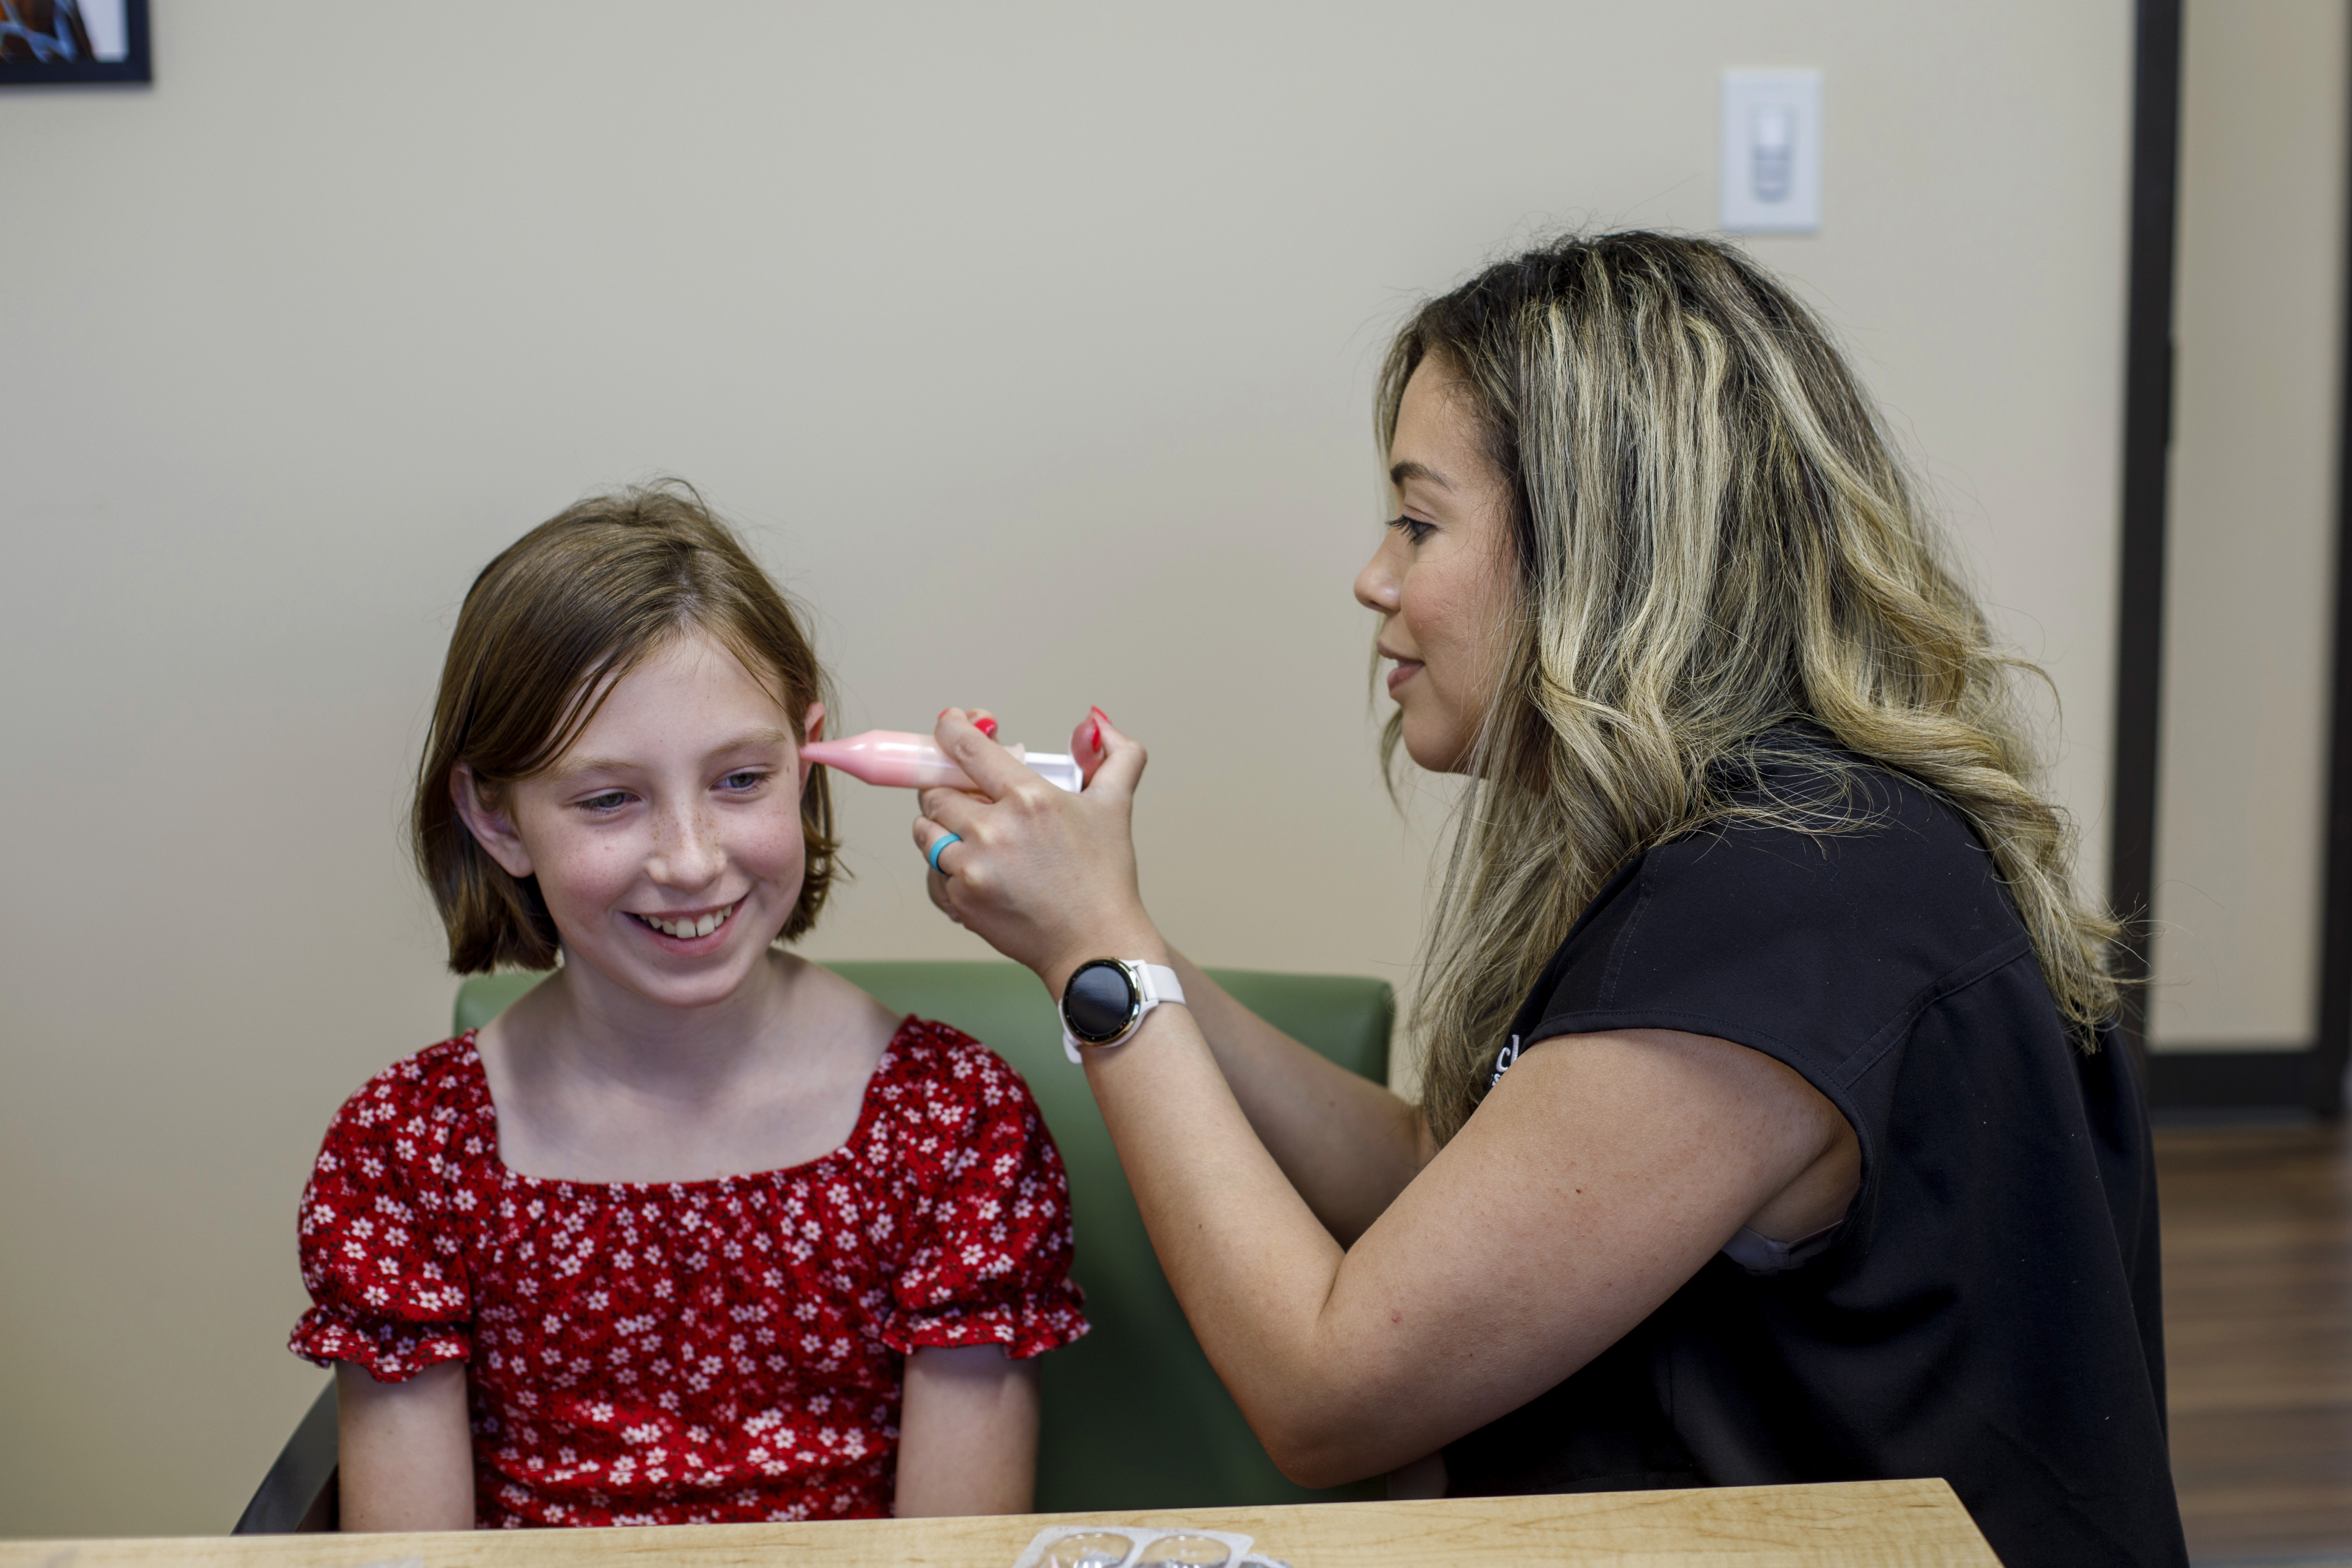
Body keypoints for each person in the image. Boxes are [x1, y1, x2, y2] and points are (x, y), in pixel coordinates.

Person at [912, 233, 2187, 1568]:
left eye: (1418, 520)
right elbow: (1447, 1191)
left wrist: (1103, 970)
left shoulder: (1791, 905)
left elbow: (1325, 1392)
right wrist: (1125, 939)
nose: (1375, 576)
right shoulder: (1782, 839)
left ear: (1600, 549)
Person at [289, 483, 1086, 1531]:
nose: (690, 859)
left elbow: (954, 1556)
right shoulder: (405, 1155)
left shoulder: (952, 1122)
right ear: (495, 816)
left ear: (806, 763)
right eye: (610, 799)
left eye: (741, 780)